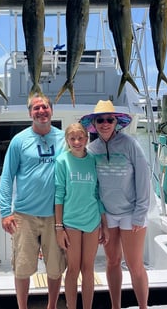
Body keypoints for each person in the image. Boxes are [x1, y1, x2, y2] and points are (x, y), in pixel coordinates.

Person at [80, 100, 151, 309]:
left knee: (134, 264)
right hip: (107, 215)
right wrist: (99, 219)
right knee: (112, 261)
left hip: (131, 213)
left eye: (109, 119)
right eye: (100, 120)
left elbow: (143, 180)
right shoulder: (91, 150)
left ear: (116, 122)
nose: (105, 124)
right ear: (94, 123)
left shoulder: (130, 144)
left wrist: (140, 213)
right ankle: (115, 306)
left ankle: (143, 307)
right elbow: (93, 188)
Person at [0, 93, 66, 309]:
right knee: (22, 267)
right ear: (30, 113)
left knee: (55, 267)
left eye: (45, 107)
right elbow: (7, 176)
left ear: (51, 110)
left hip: (55, 216)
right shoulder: (19, 141)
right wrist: (5, 211)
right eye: (36, 108)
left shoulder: (64, 138)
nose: (41, 111)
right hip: (24, 215)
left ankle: (52, 306)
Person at [54, 122, 108, 309]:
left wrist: (104, 224)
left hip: (92, 221)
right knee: (73, 268)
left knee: (88, 268)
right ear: (67, 140)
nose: (77, 141)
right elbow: (59, 195)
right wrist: (59, 227)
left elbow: (97, 192)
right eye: (72, 138)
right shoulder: (62, 161)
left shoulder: (93, 159)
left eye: (80, 138)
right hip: (71, 223)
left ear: (86, 138)